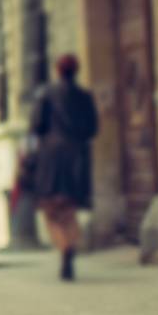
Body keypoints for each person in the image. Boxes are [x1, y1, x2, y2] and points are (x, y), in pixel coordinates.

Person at [31, 53, 99, 280]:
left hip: (51, 157)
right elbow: (92, 128)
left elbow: (37, 125)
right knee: (69, 209)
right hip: (77, 156)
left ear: (58, 70)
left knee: (51, 210)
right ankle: (70, 246)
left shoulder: (46, 94)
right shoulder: (85, 96)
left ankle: (64, 248)